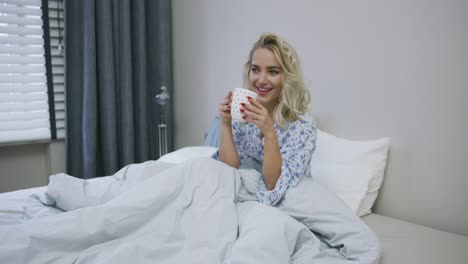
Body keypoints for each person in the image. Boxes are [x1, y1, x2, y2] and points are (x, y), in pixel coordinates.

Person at [214, 33, 317, 206]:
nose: (261, 80)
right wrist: (225, 123)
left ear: (287, 77)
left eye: (273, 72)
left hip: (283, 203)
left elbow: (273, 185)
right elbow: (228, 171)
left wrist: (270, 133)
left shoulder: (303, 126)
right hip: (238, 196)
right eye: (255, 70)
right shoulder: (243, 113)